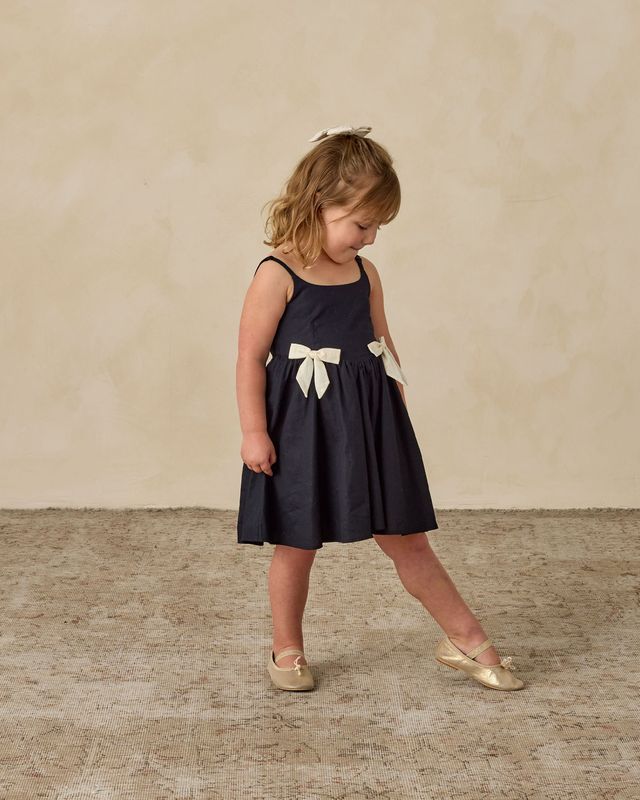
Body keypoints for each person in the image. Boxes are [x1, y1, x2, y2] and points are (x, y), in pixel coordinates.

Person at [235, 124, 524, 693]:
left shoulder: (366, 274)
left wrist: (395, 416)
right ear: (320, 205)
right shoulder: (277, 274)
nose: (369, 239)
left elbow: (383, 346)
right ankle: (286, 650)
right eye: (361, 225)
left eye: (377, 228)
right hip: (301, 426)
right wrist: (253, 432)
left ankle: (466, 638)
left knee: (407, 536)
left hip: (369, 421)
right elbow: (249, 357)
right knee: (297, 543)